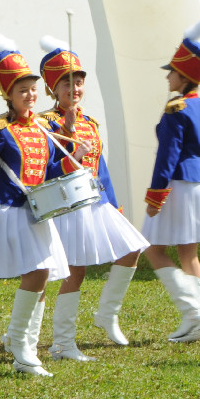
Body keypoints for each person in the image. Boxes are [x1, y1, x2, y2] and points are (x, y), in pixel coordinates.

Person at [0, 26, 89, 377]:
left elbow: (50, 170)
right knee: (37, 272)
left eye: (33, 89)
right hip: (10, 208)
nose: (31, 95)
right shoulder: (0, 127)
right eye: (23, 90)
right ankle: (21, 345)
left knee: (45, 274)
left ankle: (24, 345)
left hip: (38, 208)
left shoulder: (41, 128)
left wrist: (72, 156)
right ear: (9, 94)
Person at [37, 38, 149, 359]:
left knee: (131, 249)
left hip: (97, 200)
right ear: (52, 88)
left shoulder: (91, 122)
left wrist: (114, 206)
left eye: (79, 80)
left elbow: (101, 167)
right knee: (74, 272)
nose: (75, 87)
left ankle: (107, 314)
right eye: (66, 82)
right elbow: (49, 168)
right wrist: (69, 134)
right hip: (66, 203)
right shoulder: (47, 124)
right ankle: (61, 343)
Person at [142, 13, 200, 344]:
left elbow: (168, 155)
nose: (168, 77)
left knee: (153, 248)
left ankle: (194, 314)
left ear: (185, 75)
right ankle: (199, 321)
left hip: (179, 183)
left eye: (172, 71)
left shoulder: (177, 109)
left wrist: (156, 193)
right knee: (189, 255)